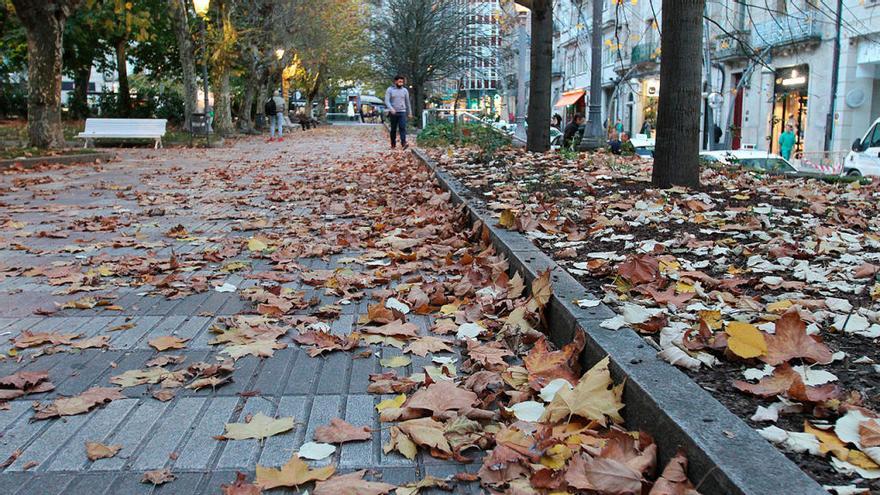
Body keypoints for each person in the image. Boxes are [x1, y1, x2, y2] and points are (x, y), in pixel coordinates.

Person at [384, 75, 412, 149]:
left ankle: (403, 143)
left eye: (402, 82)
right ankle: (393, 144)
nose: (401, 83)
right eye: (399, 81)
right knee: (393, 129)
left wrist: (410, 112)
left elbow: (407, 102)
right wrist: (391, 109)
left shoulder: (405, 91)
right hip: (393, 112)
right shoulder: (390, 90)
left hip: (402, 111)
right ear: (395, 81)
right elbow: (386, 101)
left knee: (402, 127)